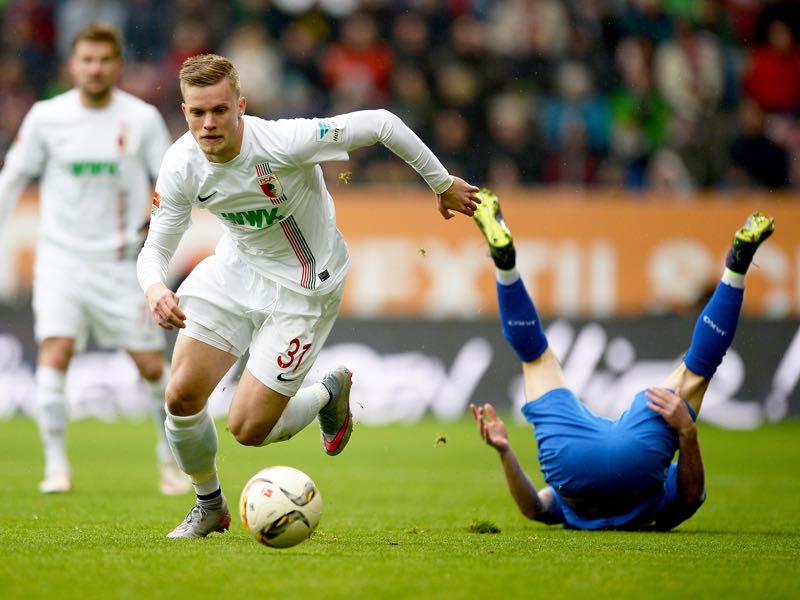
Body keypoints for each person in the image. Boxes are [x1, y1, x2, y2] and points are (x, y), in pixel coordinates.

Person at [136, 53, 480, 538]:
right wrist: (154, 288)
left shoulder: (282, 142)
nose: (208, 123)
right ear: (185, 110)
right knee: (181, 396)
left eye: (219, 110)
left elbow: (380, 123)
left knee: (248, 429)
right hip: (235, 272)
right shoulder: (181, 165)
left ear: (240, 105)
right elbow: (155, 248)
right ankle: (208, 504)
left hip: (304, 289)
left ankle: (326, 394)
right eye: (197, 112)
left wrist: (441, 184)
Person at [469, 189, 775, 530]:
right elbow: (690, 496)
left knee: (537, 357)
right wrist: (686, 432)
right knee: (695, 370)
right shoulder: (667, 477)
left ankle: (505, 265)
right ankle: (736, 268)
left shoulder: (570, 496)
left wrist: (505, 452)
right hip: (626, 461)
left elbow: (534, 507)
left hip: (575, 462)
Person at [0, 23, 190, 496]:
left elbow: (171, 181)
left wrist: (160, 227)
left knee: (150, 365)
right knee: (55, 351)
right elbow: (13, 176)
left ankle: (168, 460)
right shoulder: (47, 117)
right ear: (72, 65)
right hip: (61, 259)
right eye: (86, 60)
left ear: (117, 66)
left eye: (104, 60)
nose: (95, 68)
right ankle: (57, 466)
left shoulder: (141, 119)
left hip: (121, 261)